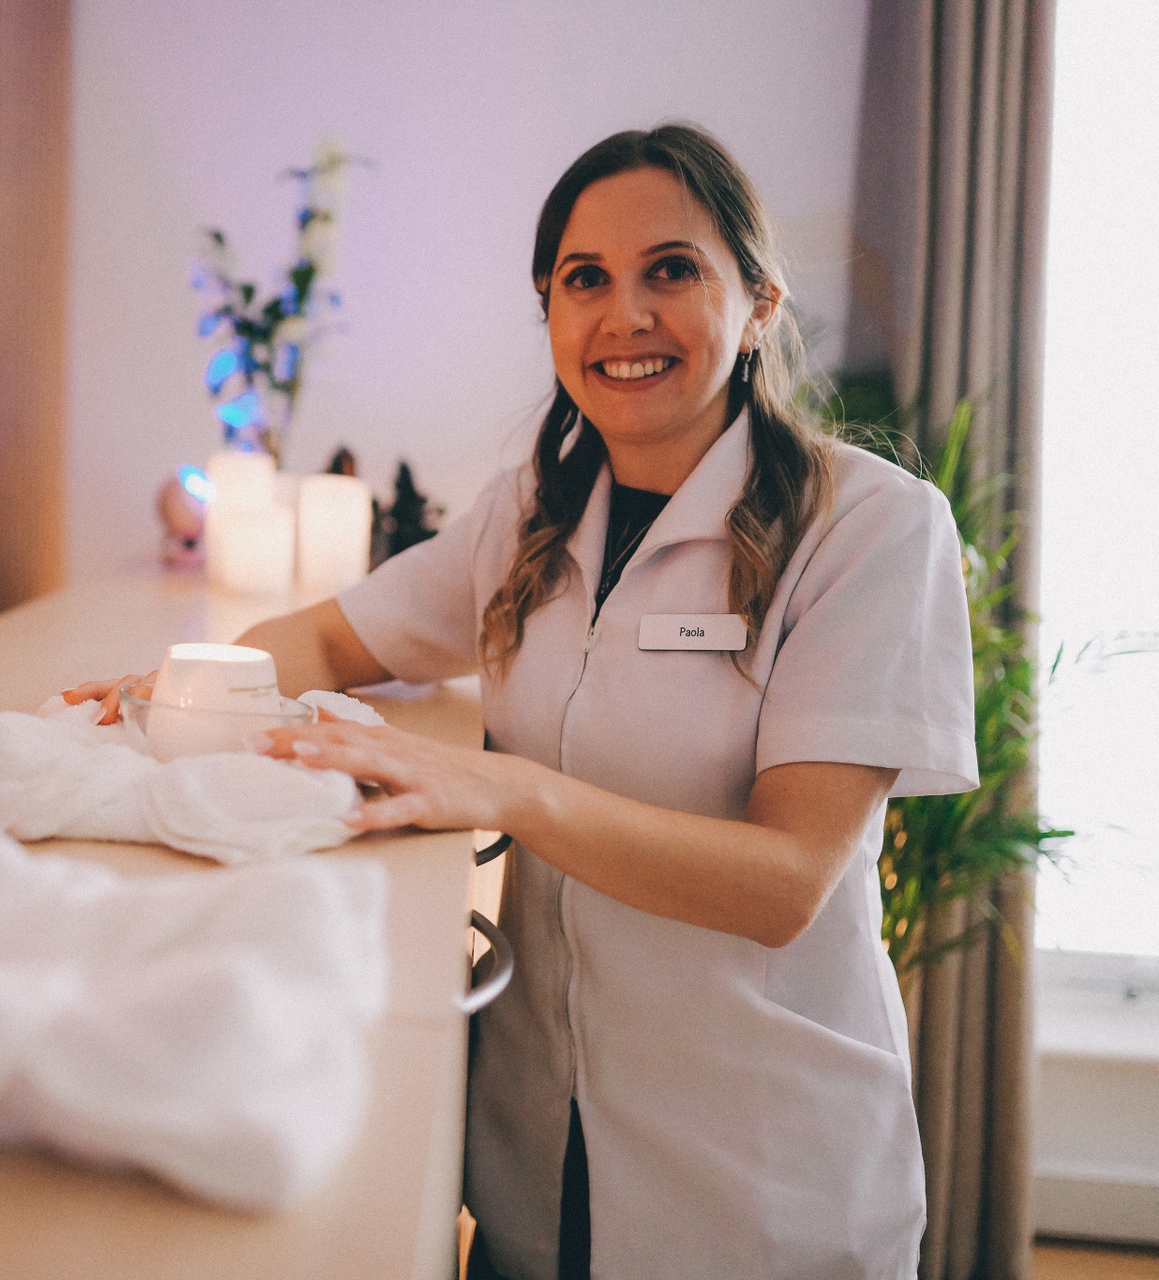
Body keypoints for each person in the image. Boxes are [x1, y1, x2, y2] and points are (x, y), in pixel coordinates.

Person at [66, 124, 975, 1280]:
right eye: (585, 279)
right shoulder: (527, 515)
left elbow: (785, 880)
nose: (624, 314)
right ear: (550, 311)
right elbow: (334, 636)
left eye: (671, 269)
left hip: (756, 1182)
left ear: (758, 304)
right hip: (534, 1158)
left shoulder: (870, 529)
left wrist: (504, 787)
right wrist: (204, 688)